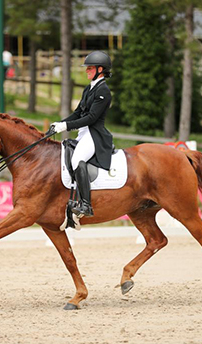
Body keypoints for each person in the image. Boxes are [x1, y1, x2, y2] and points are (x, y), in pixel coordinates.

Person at [49, 51, 114, 218]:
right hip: (84, 133)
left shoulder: (103, 91)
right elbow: (78, 113)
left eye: (90, 68)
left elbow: (91, 118)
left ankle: (86, 204)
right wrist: (59, 124)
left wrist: (66, 126)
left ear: (101, 69)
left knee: (78, 159)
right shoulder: (89, 88)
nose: (87, 71)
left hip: (94, 134)